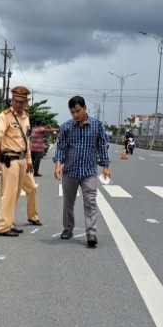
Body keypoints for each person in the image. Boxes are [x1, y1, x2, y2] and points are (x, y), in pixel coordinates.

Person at [53, 96, 110, 248]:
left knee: (90, 201)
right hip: (70, 171)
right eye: (72, 112)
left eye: (78, 111)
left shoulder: (97, 126)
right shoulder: (66, 127)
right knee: (68, 203)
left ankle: (91, 233)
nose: (75, 115)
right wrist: (58, 165)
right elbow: (61, 148)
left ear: (85, 107)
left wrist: (105, 166)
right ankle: (68, 229)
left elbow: (102, 147)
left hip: (89, 171)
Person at [0, 86, 33, 237]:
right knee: (8, 195)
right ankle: (3, 227)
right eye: (16, 101)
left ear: (26, 102)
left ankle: (10, 222)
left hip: (22, 160)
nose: (18, 104)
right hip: (10, 160)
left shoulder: (25, 118)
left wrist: (29, 160)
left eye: (21, 101)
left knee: (16, 195)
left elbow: (27, 140)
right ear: (12, 100)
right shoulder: (4, 116)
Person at [0, 143, 42, 226]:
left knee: (32, 187)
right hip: (8, 161)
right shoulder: (5, 129)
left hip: (22, 161)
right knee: (7, 192)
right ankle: (6, 220)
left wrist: (28, 160)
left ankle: (33, 216)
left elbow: (26, 143)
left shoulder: (24, 129)